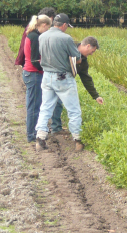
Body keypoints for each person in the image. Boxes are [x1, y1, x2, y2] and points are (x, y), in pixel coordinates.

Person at [35, 13, 83, 152]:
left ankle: (40, 138)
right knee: (73, 109)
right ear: (64, 25)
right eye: (67, 26)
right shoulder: (66, 38)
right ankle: (77, 139)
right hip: (63, 77)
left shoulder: (42, 36)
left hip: (47, 76)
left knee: (45, 108)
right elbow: (77, 58)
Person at [50, 36, 104, 135]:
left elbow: (86, 78)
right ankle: (46, 130)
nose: (91, 54)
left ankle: (56, 128)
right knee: (49, 104)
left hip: (65, 81)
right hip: (52, 77)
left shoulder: (83, 61)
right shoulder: (69, 47)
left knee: (59, 103)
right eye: (92, 51)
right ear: (88, 46)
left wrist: (96, 96)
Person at [22, 15, 52, 142]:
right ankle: (31, 135)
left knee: (33, 104)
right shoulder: (35, 37)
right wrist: (46, 68)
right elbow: (35, 60)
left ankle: (33, 131)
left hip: (30, 73)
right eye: (49, 27)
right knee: (34, 106)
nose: (48, 30)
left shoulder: (32, 34)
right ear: (44, 25)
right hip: (33, 73)